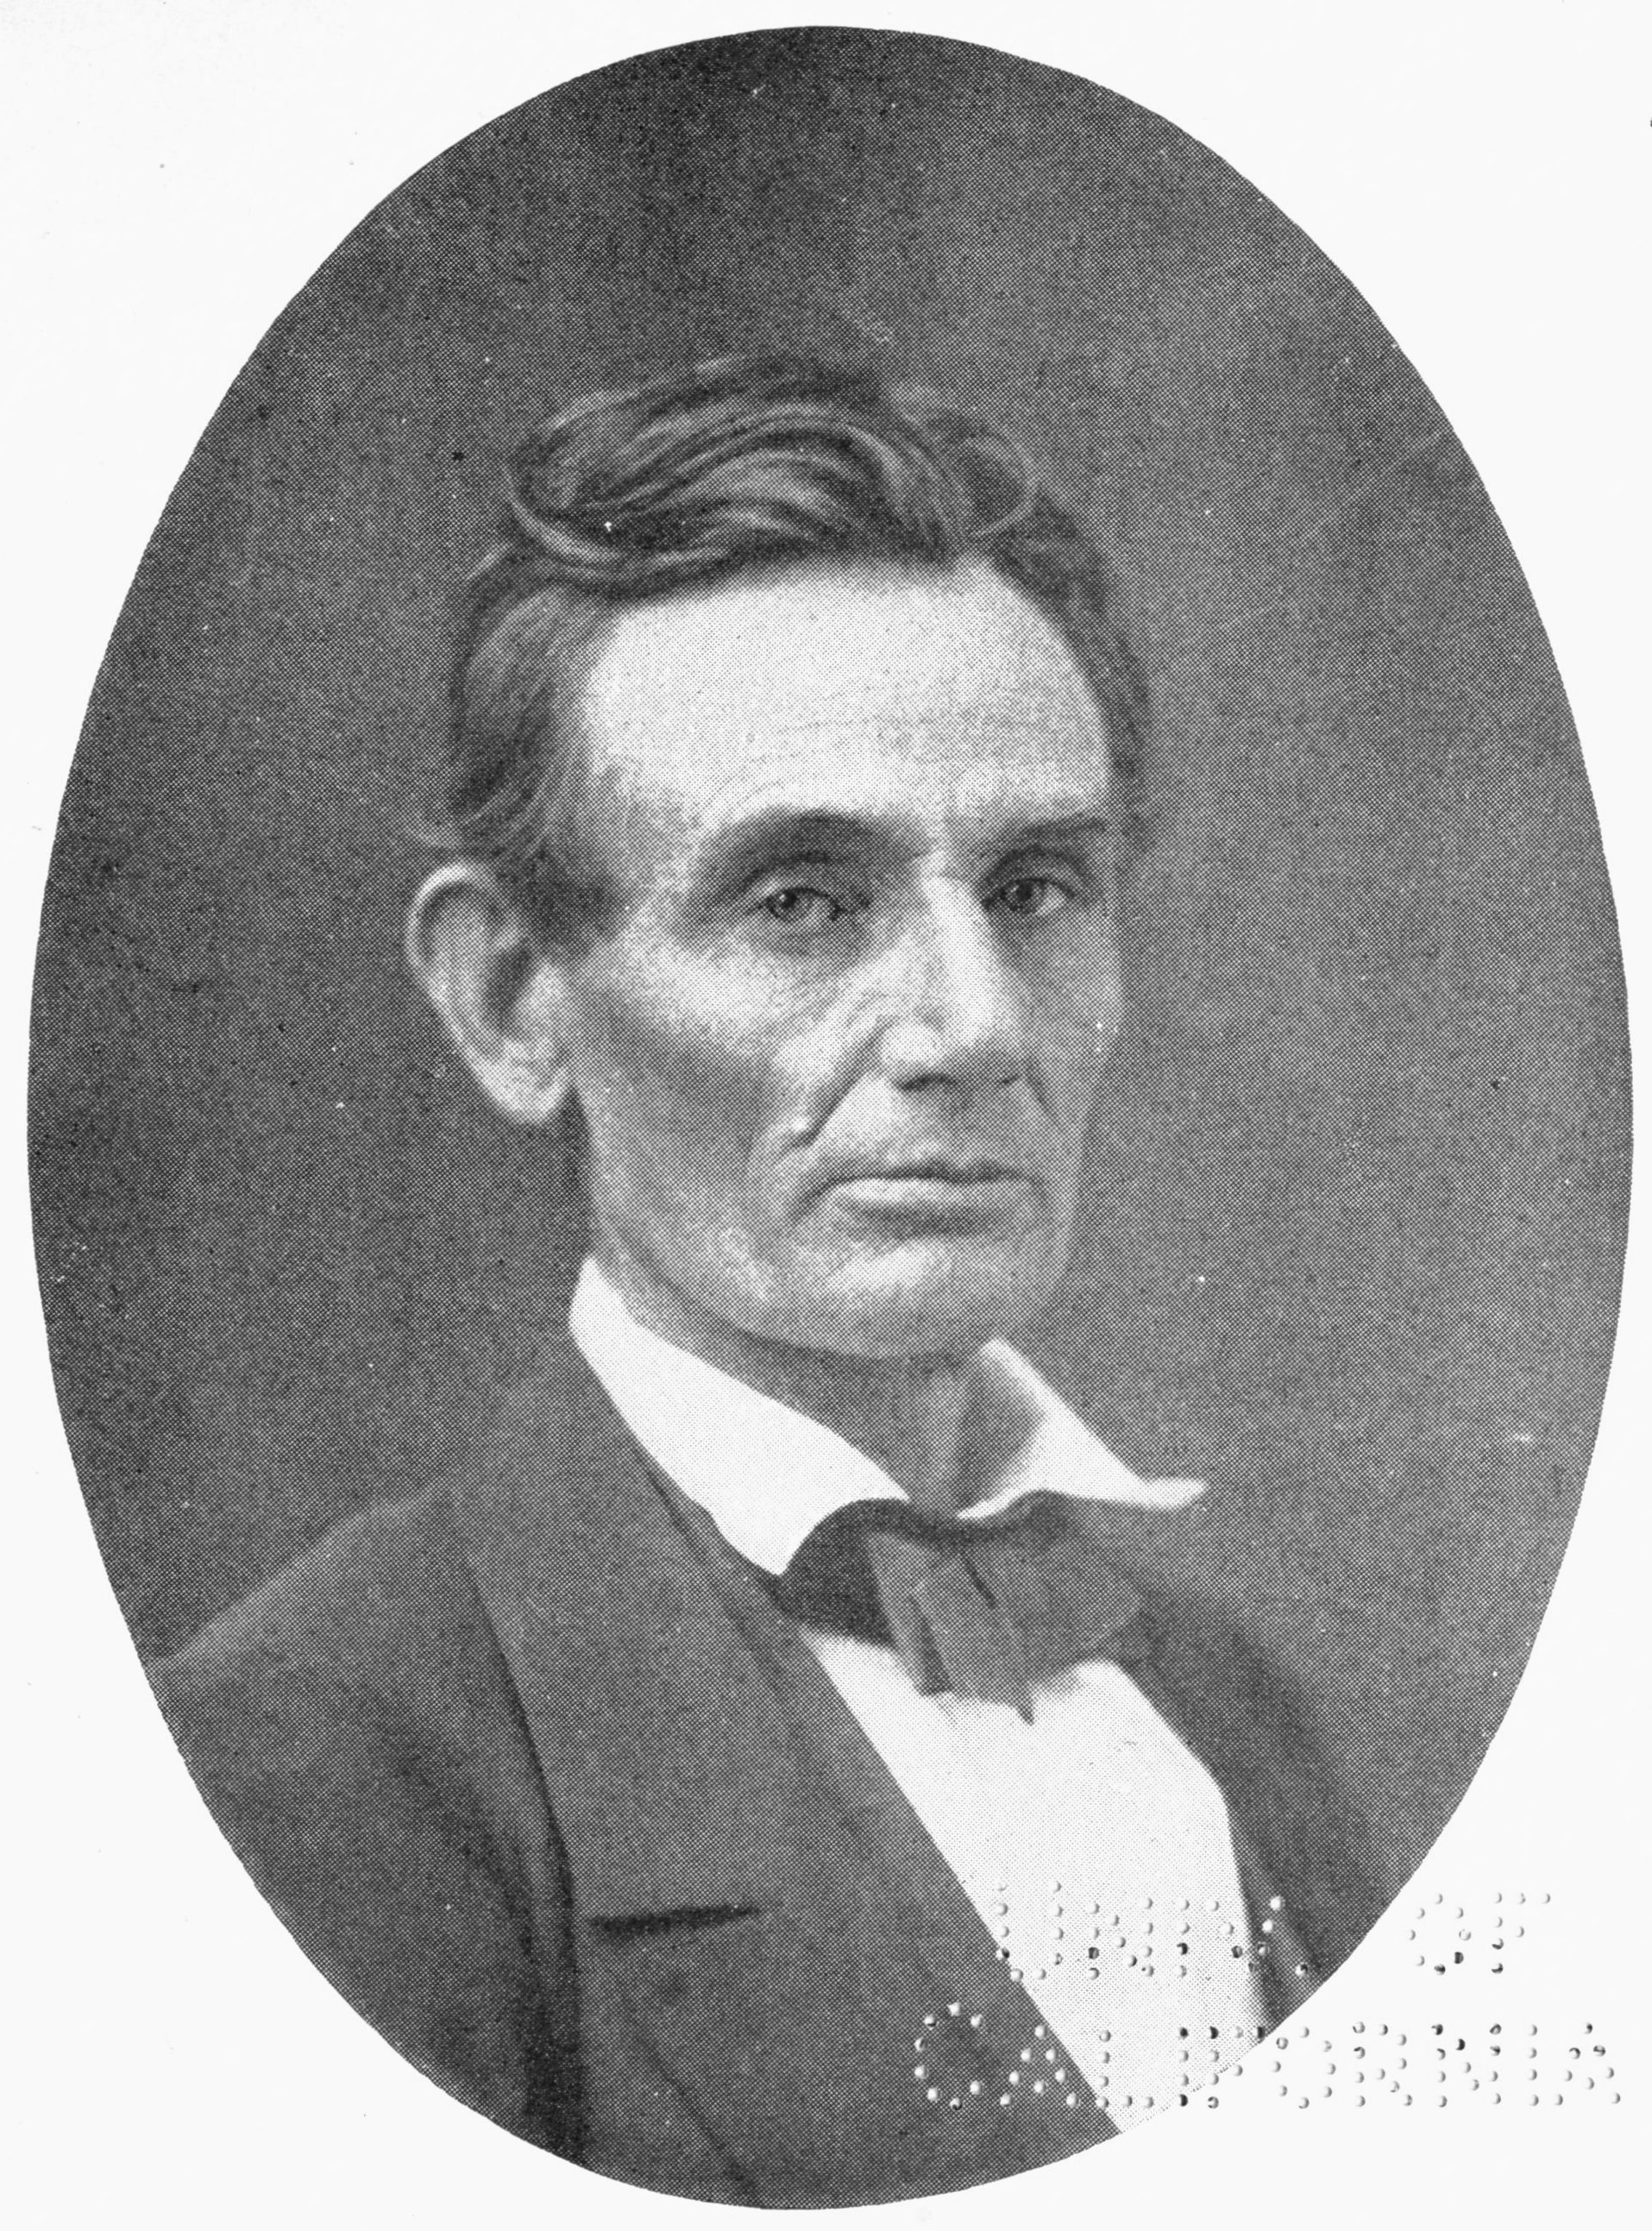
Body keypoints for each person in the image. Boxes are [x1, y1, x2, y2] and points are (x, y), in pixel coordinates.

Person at [154, 355, 1381, 2205]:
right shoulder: (312, 1763)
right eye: (802, 899)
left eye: (1036, 887)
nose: (974, 1027)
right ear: (512, 997)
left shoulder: (1233, 1706)